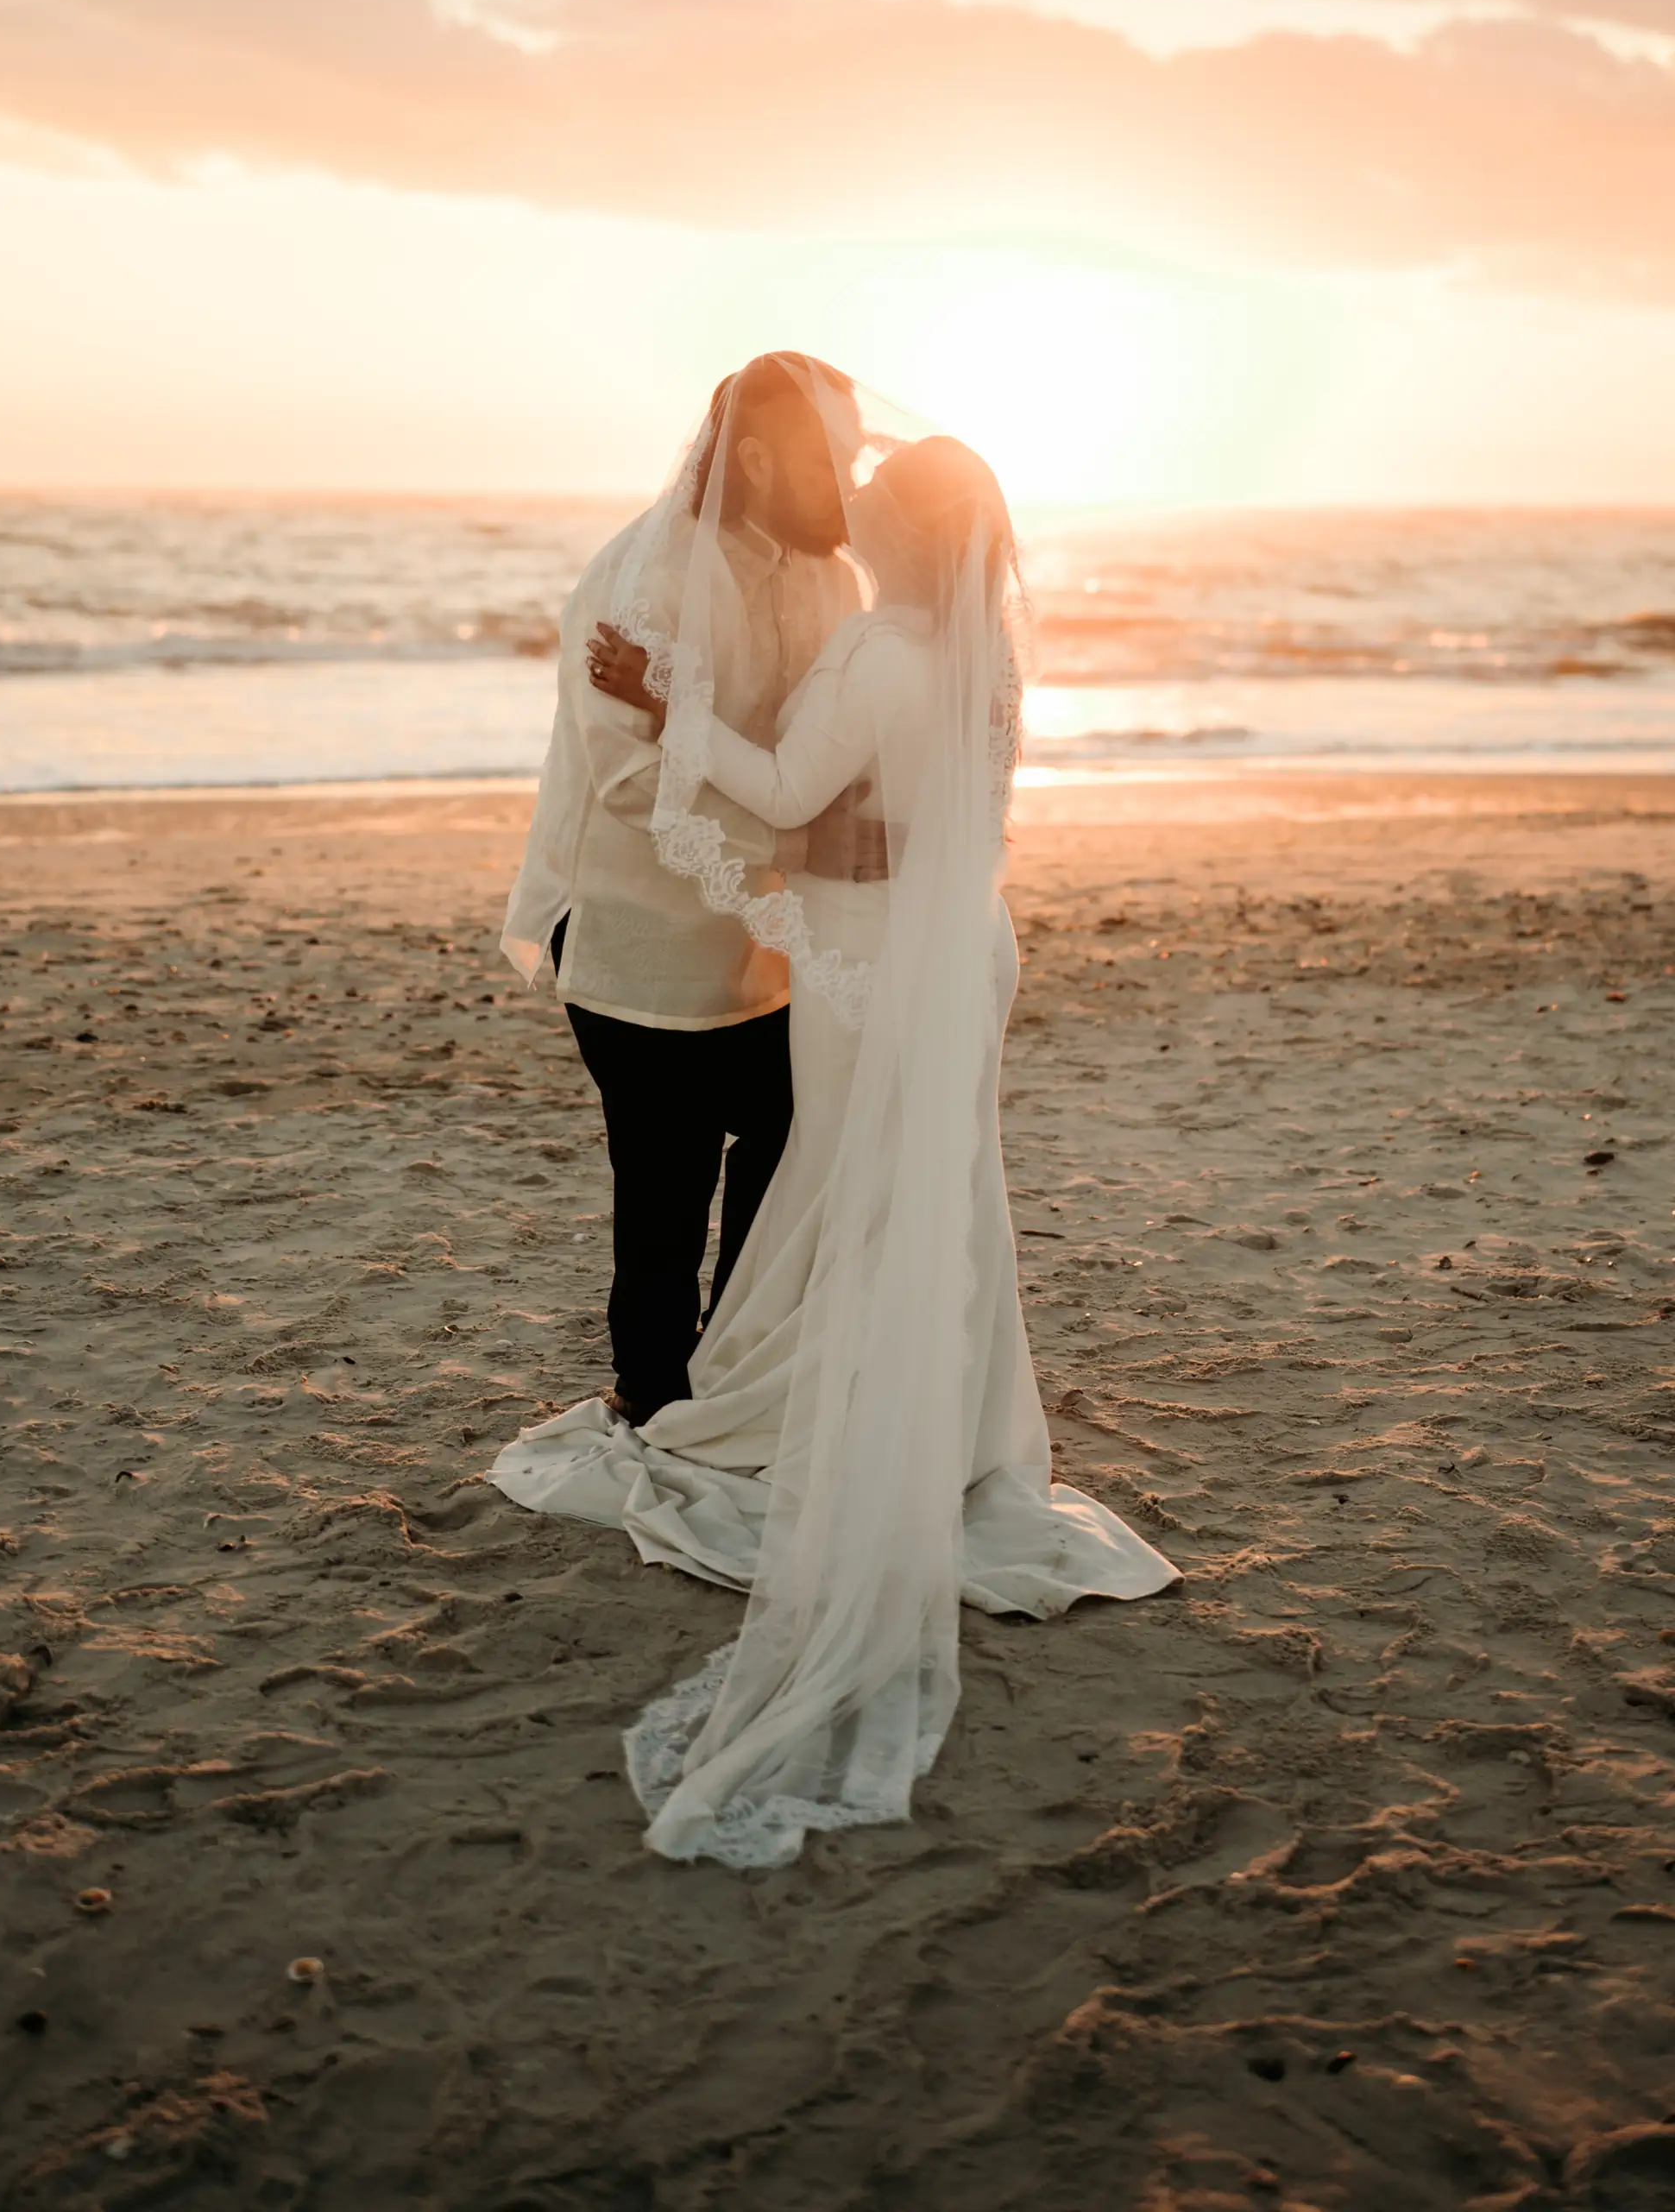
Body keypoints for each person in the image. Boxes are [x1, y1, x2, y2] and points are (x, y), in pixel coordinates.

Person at [491, 395, 1174, 1869]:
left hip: (866, 959)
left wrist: (680, 717)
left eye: (872, 486)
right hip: (953, 947)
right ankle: (960, 1439)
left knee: (858, 1187)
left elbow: (793, 789)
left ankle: (836, 1422)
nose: (849, 493)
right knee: (932, 1193)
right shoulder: (974, 658)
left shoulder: (876, 647)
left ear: (901, 533)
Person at [499, 353, 867, 1424]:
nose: (849, 486)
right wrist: (799, 837)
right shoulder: (647, 582)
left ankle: (733, 1365)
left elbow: (821, 750)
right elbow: (627, 785)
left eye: (854, 460)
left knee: (798, 1128)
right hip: (636, 938)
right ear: (752, 458)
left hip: (760, 939)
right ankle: (655, 1398)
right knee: (664, 1191)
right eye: (827, 463)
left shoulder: (833, 577)